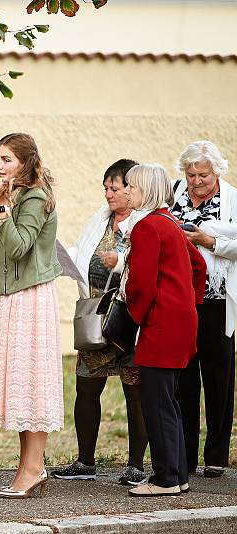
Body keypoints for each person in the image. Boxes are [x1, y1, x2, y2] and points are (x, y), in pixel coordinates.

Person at [52, 159, 149, 486]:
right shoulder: (100, 218)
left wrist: (120, 261)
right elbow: (84, 251)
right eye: (105, 187)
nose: (108, 193)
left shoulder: (144, 222)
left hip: (128, 322)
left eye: (115, 188)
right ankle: (85, 461)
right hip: (96, 318)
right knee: (86, 387)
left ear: (132, 189)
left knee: (134, 392)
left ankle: (136, 465)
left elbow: (148, 264)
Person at [0, 132, 63, 499]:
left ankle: (32, 468)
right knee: (21, 388)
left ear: (25, 162)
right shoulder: (16, 194)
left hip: (29, 297)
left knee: (32, 383)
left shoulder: (34, 197)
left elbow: (18, 248)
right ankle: (29, 465)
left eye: (6, 160)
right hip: (9, 296)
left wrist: (1, 210)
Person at [123, 163, 206, 496]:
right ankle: (177, 474)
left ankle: (165, 479)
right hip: (181, 321)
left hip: (160, 324)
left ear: (144, 189)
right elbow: (198, 265)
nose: (126, 190)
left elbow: (141, 285)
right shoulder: (170, 221)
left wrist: (139, 316)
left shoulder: (147, 227)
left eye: (131, 185)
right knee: (169, 401)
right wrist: (189, 302)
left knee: (156, 401)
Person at [170, 141, 236, 479]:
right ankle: (186, 453)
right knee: (183, 374)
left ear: (217, 172)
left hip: (217, 299)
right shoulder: (173, 193)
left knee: (218, 375)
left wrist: (211, 243)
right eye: (191, 174)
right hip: (180, 298)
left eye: (203, 175)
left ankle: (216, 456)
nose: (196, 181)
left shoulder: (232, 199)